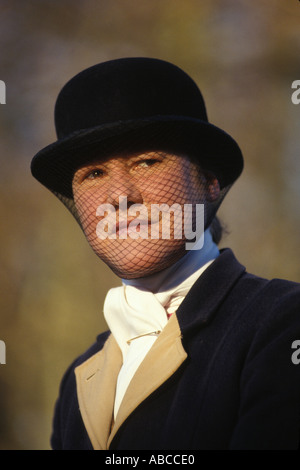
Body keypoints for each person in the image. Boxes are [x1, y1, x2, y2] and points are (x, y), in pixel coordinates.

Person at [31, 57, 300, 450]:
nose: (120, 196)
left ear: (209, 182)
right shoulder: (78, 378)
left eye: (146, 162)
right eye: (93, 174)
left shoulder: (282, 323)